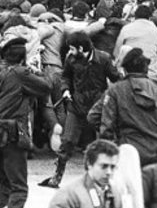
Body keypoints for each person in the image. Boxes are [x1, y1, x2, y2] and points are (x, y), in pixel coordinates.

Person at [0, 37, 53, 208]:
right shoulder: (21, 73)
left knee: (3, 180)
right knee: (19, 185)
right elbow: (47, 87)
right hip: (12, 135)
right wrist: (37, 70)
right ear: (22, 57)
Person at [41, 31, 120, 188]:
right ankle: (57, 176)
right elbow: (66, 77)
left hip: (98, 107)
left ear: (81, 48)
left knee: (104, 141)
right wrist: (65, 90)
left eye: (72, 48)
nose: (70, 52)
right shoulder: (70, 59)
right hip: (76, 105)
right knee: (67, 141)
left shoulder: (103, 58)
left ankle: (107, 178)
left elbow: (115, 78)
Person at [99, 48, 157, 166]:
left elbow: (105, 126)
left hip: (129, 153)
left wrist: (114, 149)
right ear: (146, 69)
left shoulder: (115, 90)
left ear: (125, 69)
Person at [45, 139, 125, 208]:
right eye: (104, 166)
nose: (109, 172)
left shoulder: (115, 192)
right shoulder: (69, 193)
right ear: (89, 164)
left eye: (113, 167)